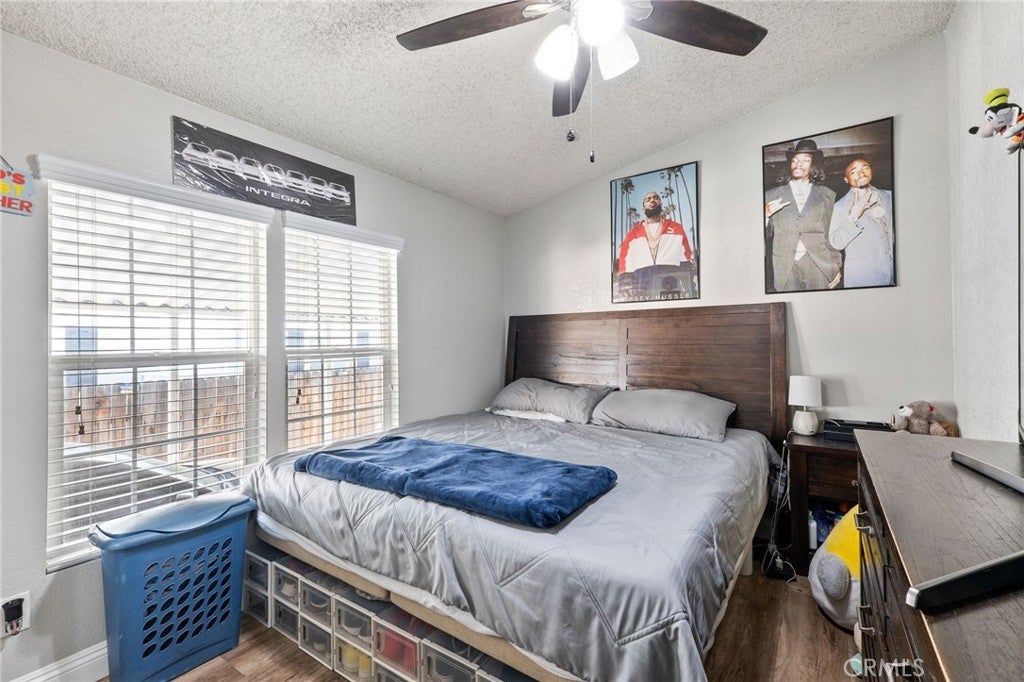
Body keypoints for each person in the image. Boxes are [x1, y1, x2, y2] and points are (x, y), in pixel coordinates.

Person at [764, 139, 841, 292]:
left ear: (813, 165)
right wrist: (765, 215)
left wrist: (836, 265)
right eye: (795, 160)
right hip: (785, 266)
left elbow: (830, 234)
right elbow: (765, 234)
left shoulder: (827, 195)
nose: (799, 164)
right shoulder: (770, 195)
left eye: (806, 160)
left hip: (819, 264)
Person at [616, 191, 695, 300]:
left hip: (669, 283)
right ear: (643, 208)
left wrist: (691, 290)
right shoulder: (632, 234)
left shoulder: (676, 228)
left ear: (660, 204)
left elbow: (685, 259)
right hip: (641, 285)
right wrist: (625, 293)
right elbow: (625, 266)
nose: (652, 200)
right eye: (648, 200)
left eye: (656, 198)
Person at [829, 158, 894, 287]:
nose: (861, 173)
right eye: (854, 172)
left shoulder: (890, 196)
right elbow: (836, 242)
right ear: (846, 179)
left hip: (894, 273)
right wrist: (853, 216)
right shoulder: (839, 207)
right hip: (865, 278)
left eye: (865, 168)